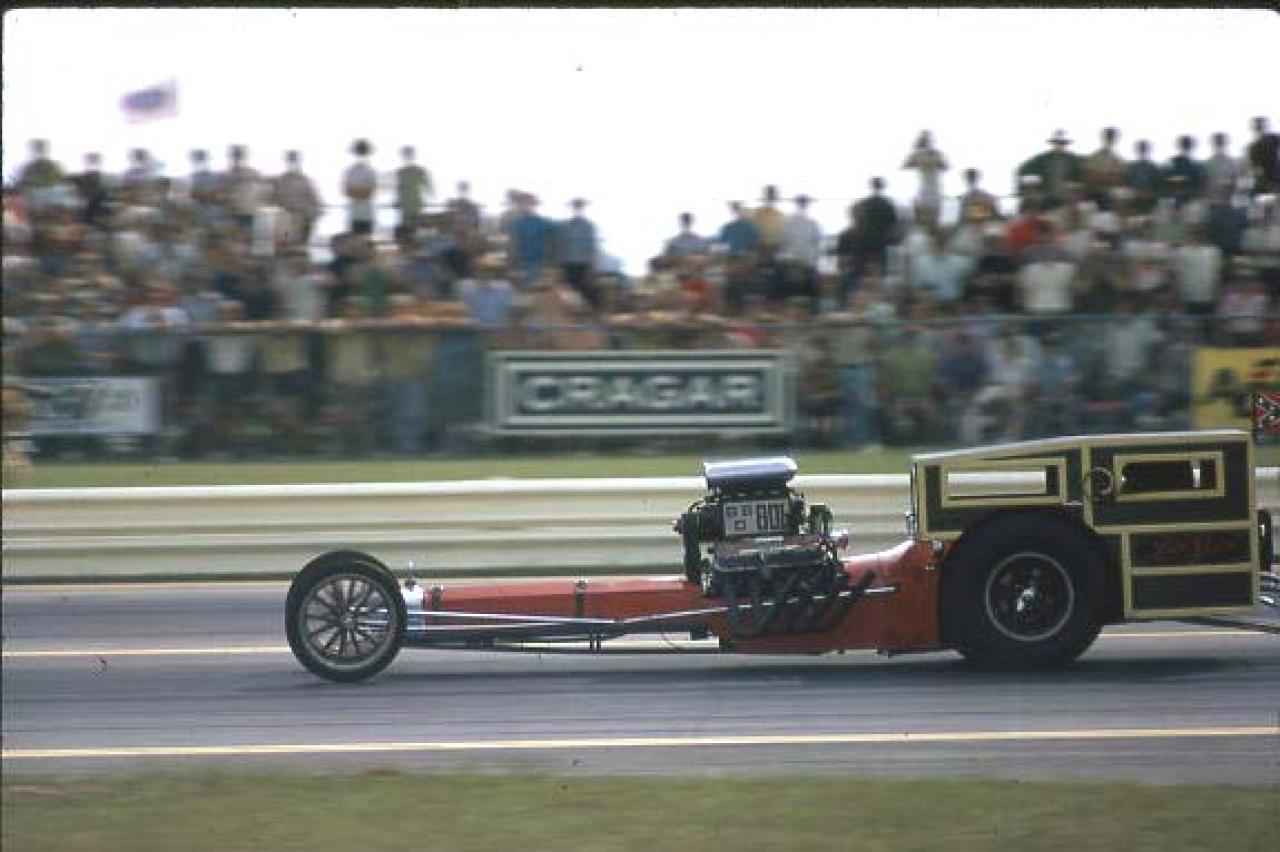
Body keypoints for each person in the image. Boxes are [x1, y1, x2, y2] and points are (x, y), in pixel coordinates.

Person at [1016, 130, 1083, 210]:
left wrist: (1075, 186)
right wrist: (1025, 190)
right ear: (1053, 144)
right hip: (1047, 197)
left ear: (1066, 144)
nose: (1060, 145)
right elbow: (1022, 170)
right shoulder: (1042, 159)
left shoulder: (1075, 160)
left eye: (1062, 143)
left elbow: (1083, 176)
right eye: (1057, 143)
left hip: (1068, 198)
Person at [778, 195, 822, 311]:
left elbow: (783, 243)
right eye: (803, 202)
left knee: (801, 297)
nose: (803, 204)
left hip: (800, 265)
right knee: (802, 297)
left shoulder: (788, 222)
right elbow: (816, 245)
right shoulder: (812, 223)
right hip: (798, 265)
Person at [558, 198, 599, 310]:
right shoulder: (564, 226)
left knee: (586, 288)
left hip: (584, 263)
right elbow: (560, 244)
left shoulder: (589, 226)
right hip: (567, 262)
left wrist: (593, 265)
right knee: (569, 289)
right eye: (575, 207)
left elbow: (592, 246)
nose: (577, 209)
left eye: (580, 207)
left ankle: (592, 311)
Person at [276, 150, 322, 246]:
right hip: (285, 217)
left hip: (303, 217)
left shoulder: (305, 180)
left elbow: (315, 201)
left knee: (300, 245)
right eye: (290, 159)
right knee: (286, 244)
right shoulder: (281, 180)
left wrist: (311, 216)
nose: (292, 162)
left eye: (294, 159)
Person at [902, 130, 948, 225]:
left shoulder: (919, 155)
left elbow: (905, 165)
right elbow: (945, 166)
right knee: (932, 220)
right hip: (933, 190)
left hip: (926, 191)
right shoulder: (936, 154)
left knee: (922, 220)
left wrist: (916, 149)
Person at [1082, 127, 1126, 210]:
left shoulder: (1118, 159)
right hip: (1093, 193)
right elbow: (1089, 176)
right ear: (1103, 138)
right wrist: (1106, 176)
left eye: (1112, 137)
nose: (1109, 140)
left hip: (1111, 195)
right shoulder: (1094, 157)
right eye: (1108, 137)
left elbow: (1118, 179)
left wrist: (1103, 176)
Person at [343, 139, 378, 236]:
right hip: (355, 214)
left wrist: (356, 191)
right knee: (357, 241)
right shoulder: (350, 171)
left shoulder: (370, 171)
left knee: (366, 240)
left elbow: (371, 192)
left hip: (367, 214)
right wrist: (363, 191)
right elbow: (347, 192)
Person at [395, 145, 433, 231]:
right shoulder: (402, 172)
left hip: (414, 204)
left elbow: (428, 186)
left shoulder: (416, 171)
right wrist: (398, 200)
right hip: (407, 204)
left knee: (412, 228)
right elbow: (428, 187)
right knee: (409, 228)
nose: (406, 157)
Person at [1246, 116, 1280, 196]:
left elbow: (1256, 170)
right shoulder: (1253, 147)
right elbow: (1257, 170)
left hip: (1270, 183)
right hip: (1269, 184)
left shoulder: (1253, 147)